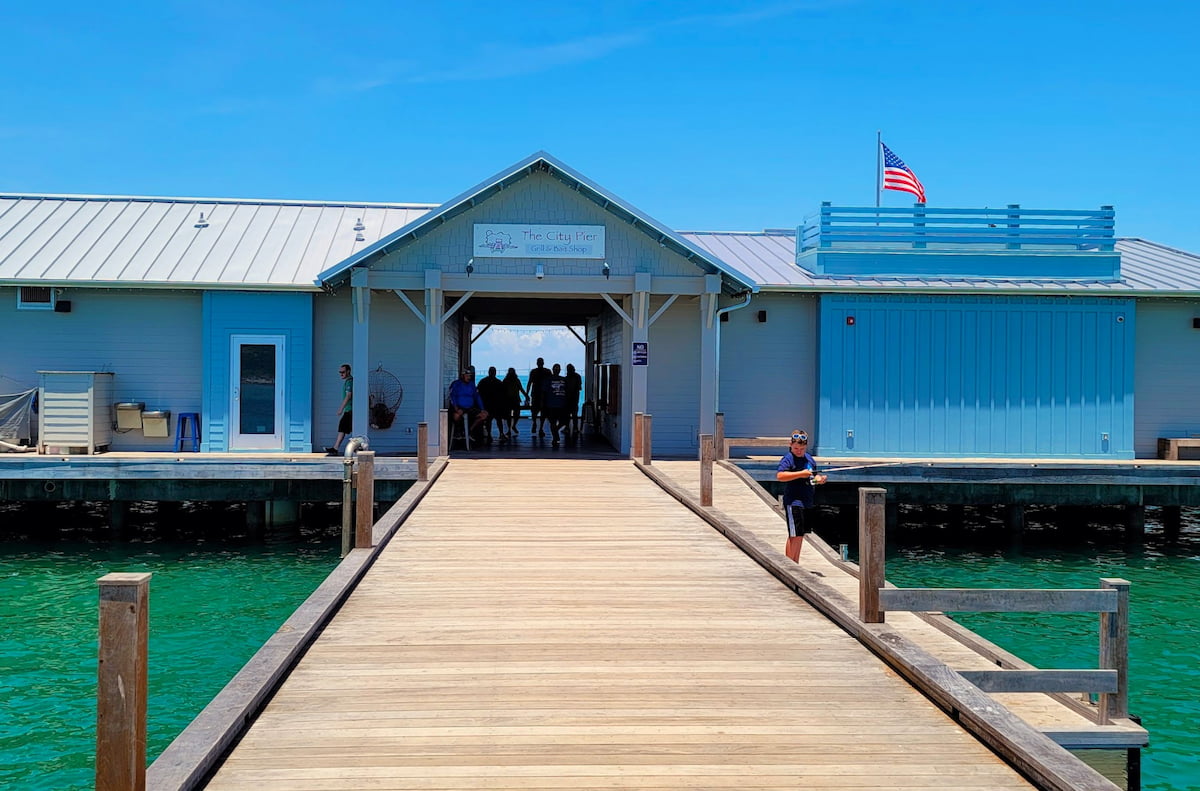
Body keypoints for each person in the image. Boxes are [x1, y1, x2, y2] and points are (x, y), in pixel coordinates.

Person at [775, 430, 826, 562]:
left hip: (807, 501)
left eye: (801, 449)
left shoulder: (809, 459)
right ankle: (789, 565)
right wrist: (799, 473)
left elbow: (811, 479)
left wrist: (819, 480)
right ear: (790, 445)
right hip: (794, 501)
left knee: (801, 535)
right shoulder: (788, 458)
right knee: (794, 534)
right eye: (796, 448)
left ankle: (795, 563)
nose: (798, 451)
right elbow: (780, 476)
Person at [447, 368, 488, 443]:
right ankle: (459, 431)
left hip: (470, 408)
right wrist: (456, 408)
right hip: (459, 407)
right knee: (456, 416)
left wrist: (482, 408)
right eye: (467, 376)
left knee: (484, 415)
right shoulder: (456, 384)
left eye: (470, 376)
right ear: (463, 376)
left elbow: (477, 397)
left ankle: (469, 431)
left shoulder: (472, 385)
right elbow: (452, 397)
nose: (469, 377)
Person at [326, 364, 352, 456]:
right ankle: (335, 448)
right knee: (343, 428)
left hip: (350, 410)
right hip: (348, 409)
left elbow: (348, 396)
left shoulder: (349, 382)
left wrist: (341, 408)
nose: (341, 374)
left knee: (343, 427)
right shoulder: (348, 382)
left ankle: (335, 448)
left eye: (343, 372)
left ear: (348, 371)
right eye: (340, 372)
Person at [476, 366, 507, 442]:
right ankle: (501, 434)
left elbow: (478, 392)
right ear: (495, 373)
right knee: (498, 420)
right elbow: (503, 394)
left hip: (487, 404)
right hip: (496, 404)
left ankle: (489, 435)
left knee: (488, 420)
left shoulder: (483, 381)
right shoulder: (499, 382)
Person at [542, 363, 569, 446]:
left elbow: (568, 391)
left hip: (562, 404)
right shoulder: (548, 379)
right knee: (553, 422)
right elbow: (544, 392)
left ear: (560, 370)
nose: (557, 370)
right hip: (551, 405)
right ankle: (555, 437)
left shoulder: (564, 379)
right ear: (553, 370)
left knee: (564, 421)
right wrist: (543, 403)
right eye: (555, 368)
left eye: (558, 368)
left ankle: (556, 431)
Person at [526, 358, 550, 436]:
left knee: (535, 412)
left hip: (537, 394)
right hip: (542, 394)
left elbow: (529, 383)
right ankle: (540, 428)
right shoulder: (547, 371)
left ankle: (535, 424)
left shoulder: (534, 372)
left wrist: (527, 394)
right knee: (542, 412)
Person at [502, 367, 527, 438]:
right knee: (509, 416)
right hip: (509, 400)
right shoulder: (506, 380)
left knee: (516, 414)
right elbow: (502, 390)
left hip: (515, 400)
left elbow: (521, 389)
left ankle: (513, 426)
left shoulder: (515, 380)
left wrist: (526, 395)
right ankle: (510, 429)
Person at [563, 363, 582, 438]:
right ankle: (575, 428)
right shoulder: (578, 377)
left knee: (567, 414)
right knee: (574, 414)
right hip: (575, 398)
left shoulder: (566, 378)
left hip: (568, 398)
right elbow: (579, 388)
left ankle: (567, 428)